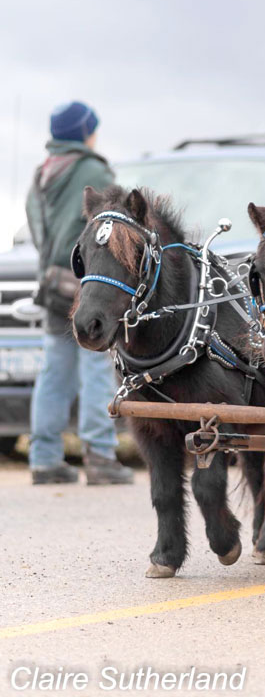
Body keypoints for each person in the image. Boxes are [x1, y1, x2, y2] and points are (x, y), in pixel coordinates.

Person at [24, 101, 132, 485]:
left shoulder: (42, 173)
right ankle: (100, 456)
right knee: (97, 369)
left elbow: (37, 228)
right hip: (89, 287)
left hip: (52, 284)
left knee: (54, 372)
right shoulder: (93, 171)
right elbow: (110, 230)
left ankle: (44, 459)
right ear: (85, 131)